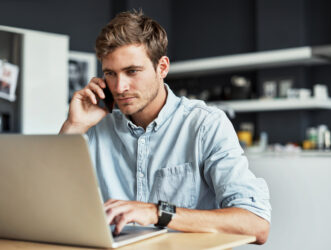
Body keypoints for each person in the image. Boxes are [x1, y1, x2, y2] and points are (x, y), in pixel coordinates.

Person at [60, 10, 271, 244]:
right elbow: (46, 202)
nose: (120, 87)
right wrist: (74, 126)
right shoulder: (95, 128)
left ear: (162, 68)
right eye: (111, 74)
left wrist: (157, 212)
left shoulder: (205, 124)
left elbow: (256, 224)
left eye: (132, 71)